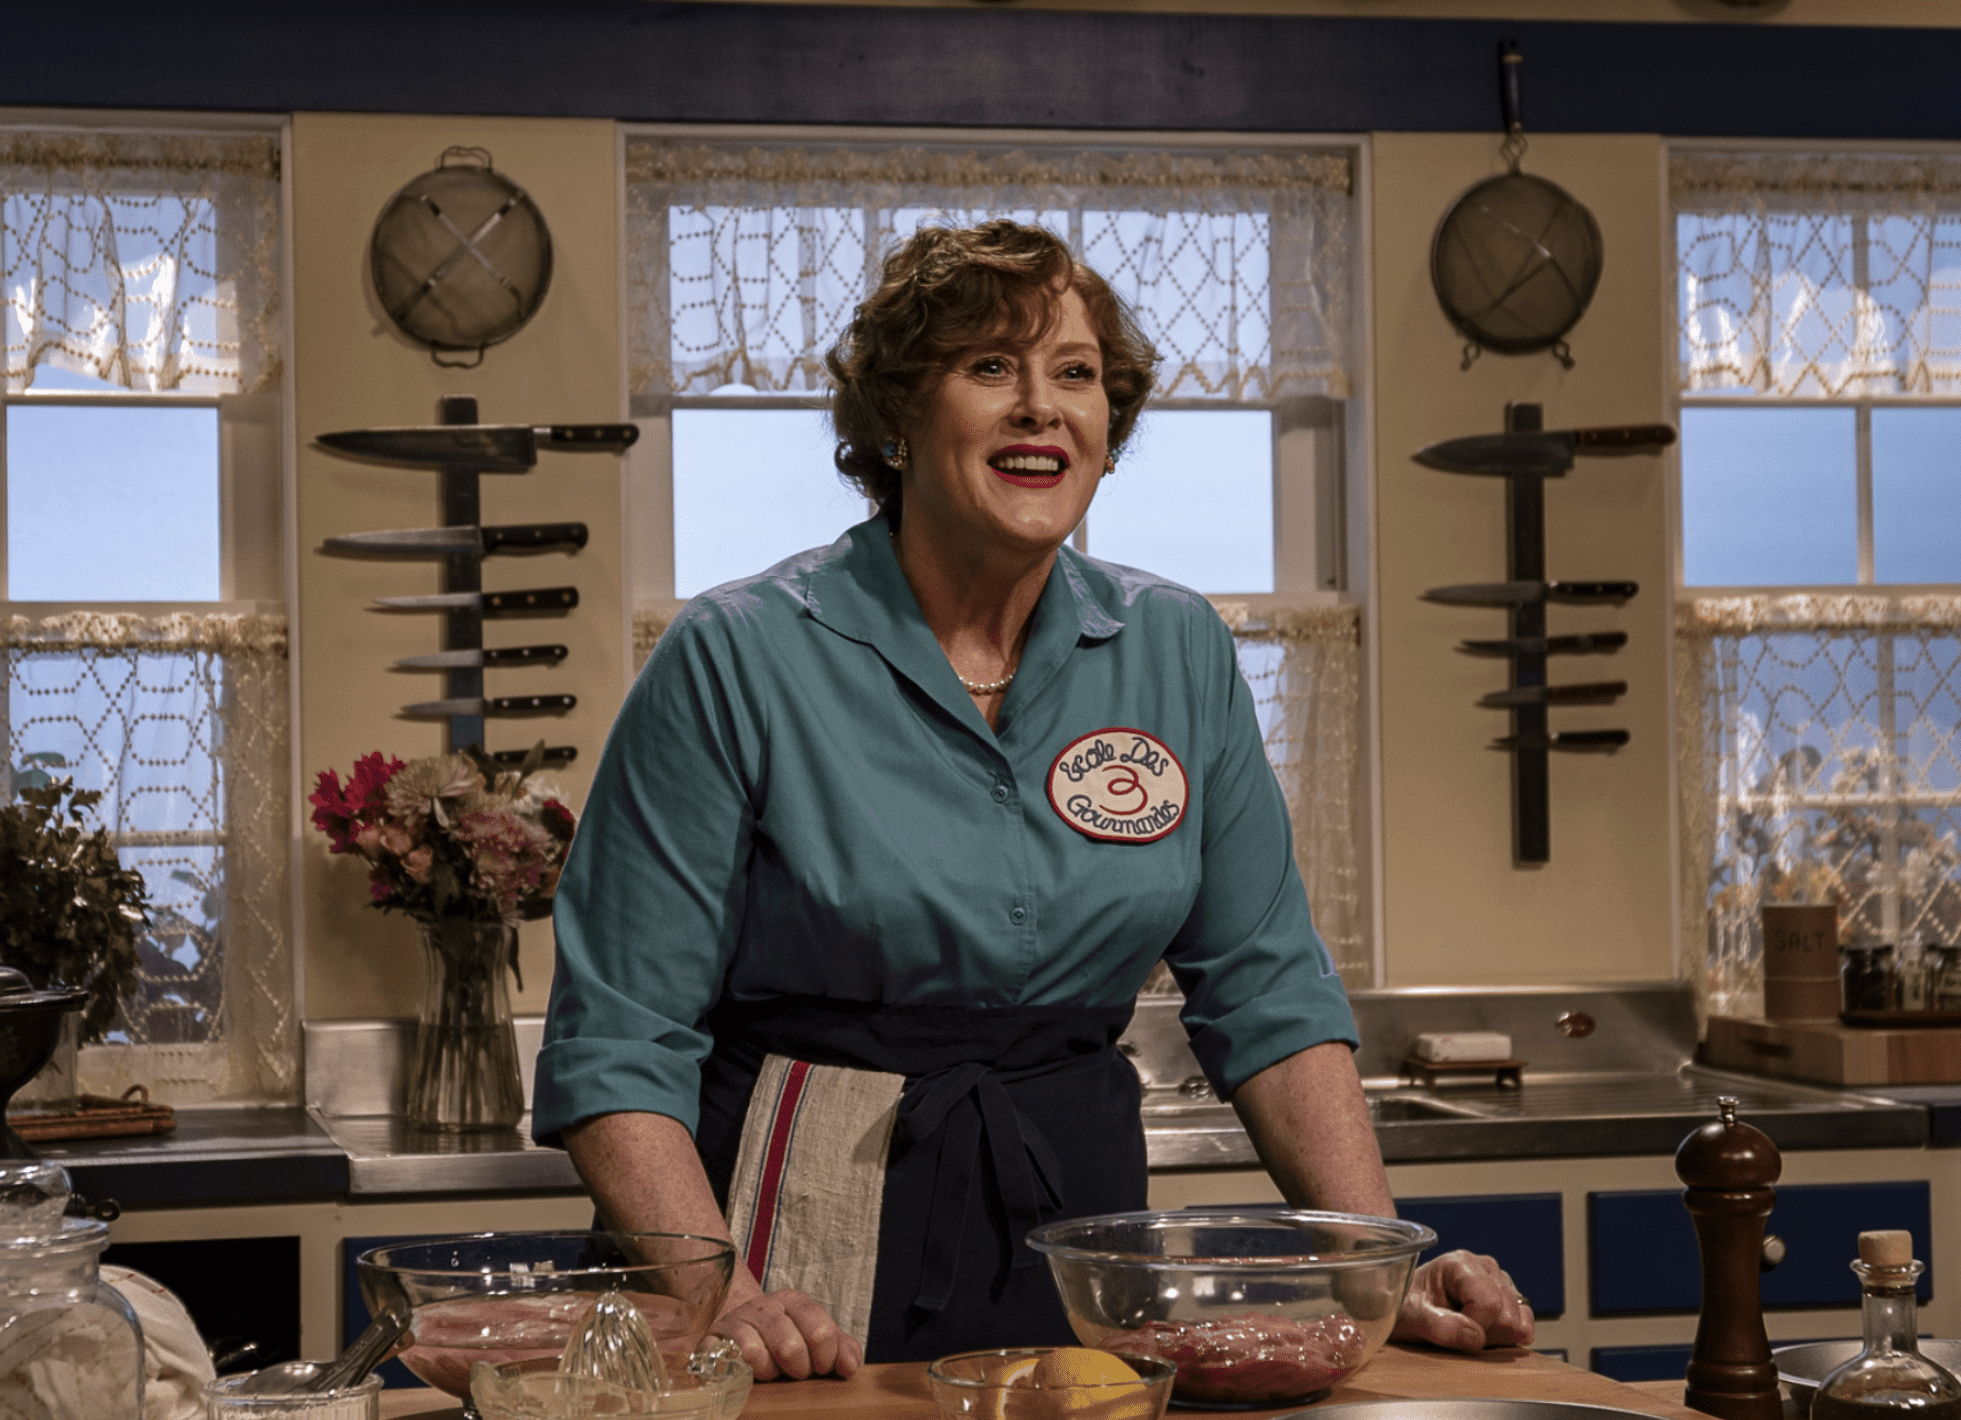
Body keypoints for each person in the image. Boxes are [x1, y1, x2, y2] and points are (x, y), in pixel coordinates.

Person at [534, 219, 1529, 1380]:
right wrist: (725, 1296)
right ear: (897, 420)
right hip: (783, 1241)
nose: (1041, 407)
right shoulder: (736, 657)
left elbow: (1267, 993)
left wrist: (1372, 1263)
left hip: (1079, 1243)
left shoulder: (1177, 649)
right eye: (990, 367)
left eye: (1076, 374)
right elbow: (618, 1043)